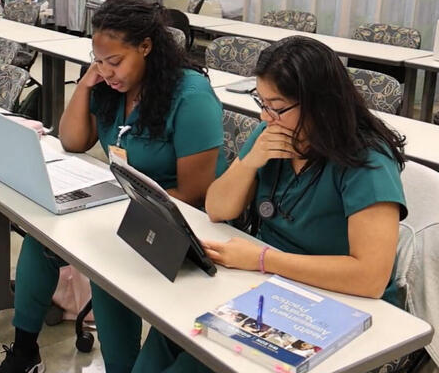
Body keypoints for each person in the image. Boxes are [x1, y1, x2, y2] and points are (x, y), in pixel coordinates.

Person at [131, 36, 407, 373]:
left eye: (276, 107)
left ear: (320, 103)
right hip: (267, 285)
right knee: (166, 335)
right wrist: (250, 162)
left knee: (196, 363)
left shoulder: (368, 161)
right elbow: (218, 208)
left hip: (334, 300)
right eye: (261, 102)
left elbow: (370, 277)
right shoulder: (272, 135)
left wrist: (263, 259)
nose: (265, 115)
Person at [0, 0, 227, 373]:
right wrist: (86, 84)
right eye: (98, 60)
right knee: (43, 239)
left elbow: (195, 194)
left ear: (146, 47)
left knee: (102, 266)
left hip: (182, 221)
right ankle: (24, 351)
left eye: (115, 61)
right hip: (128, 203)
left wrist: (125, 216)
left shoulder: (190, 96)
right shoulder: (110, 86)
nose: (107, 70)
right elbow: (72, 141)